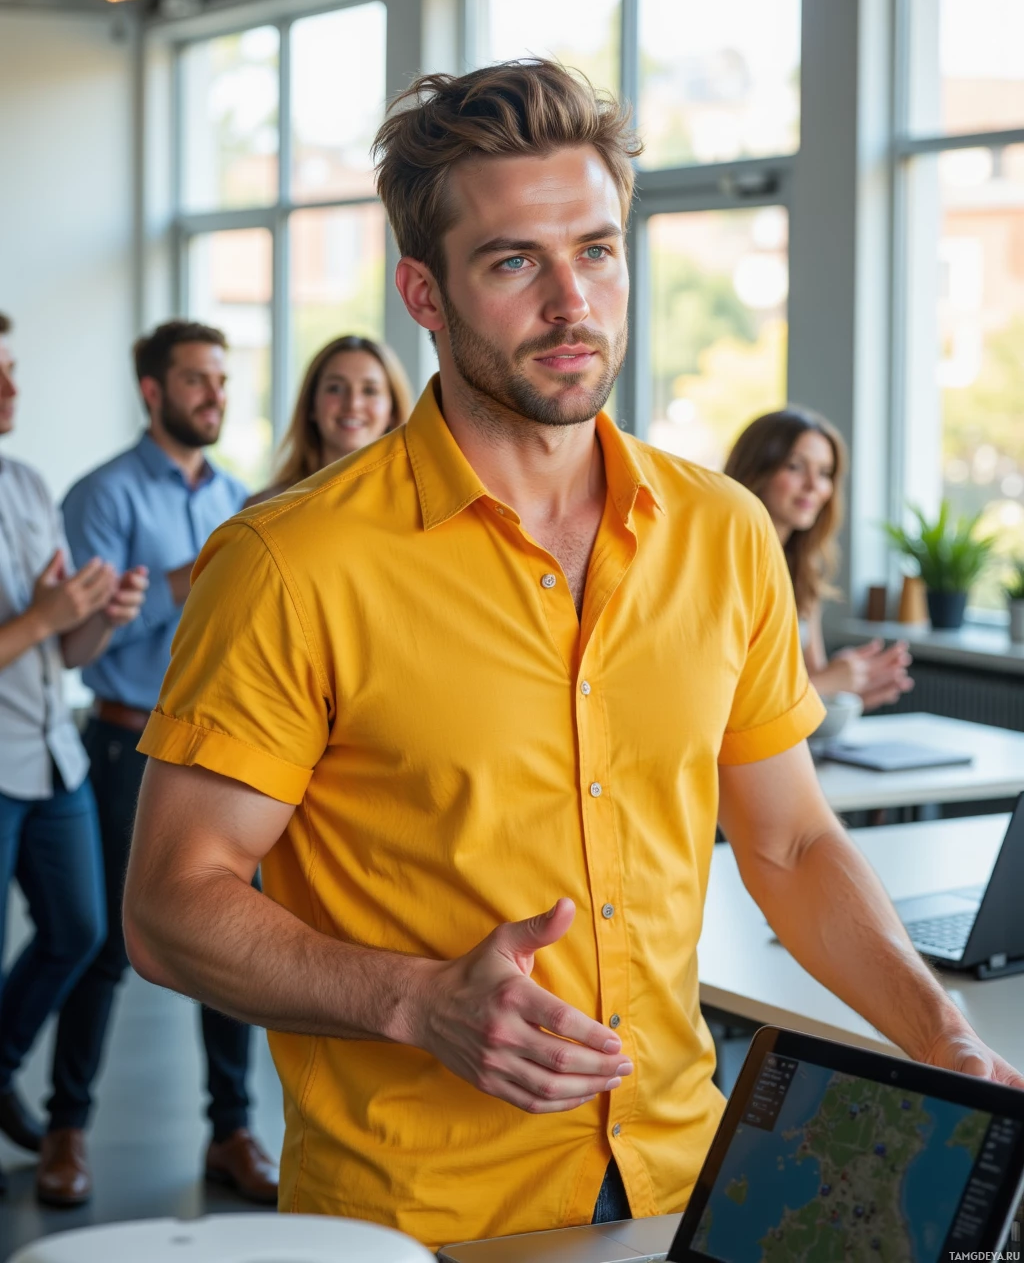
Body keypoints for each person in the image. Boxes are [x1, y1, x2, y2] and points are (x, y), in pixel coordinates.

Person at [122, 62, 1020, 1249]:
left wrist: (939, 1039)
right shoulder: (293, 564)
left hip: (680, 1177)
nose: (571, 304)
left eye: (596, 251)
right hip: (427, 1214)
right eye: (512, 263)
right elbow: (172, 905)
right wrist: (414, 1002)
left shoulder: (721, 532)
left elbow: (790, 841)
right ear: (422, 293)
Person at [42, 321, 277, 1209]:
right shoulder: (99, 496)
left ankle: (232, 1131)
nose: (214, 395)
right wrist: (193, 577)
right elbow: (85, 633)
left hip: (223, 751)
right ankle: (67, 1126)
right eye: (195, 381)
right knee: (104, 944)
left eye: (221, 379)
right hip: (124, 737)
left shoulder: (242, 496)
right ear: (153, 392)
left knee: (230, 944)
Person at [0, 313, 147, 1194]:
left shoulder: (24, 483)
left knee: (83, 930)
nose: (14, 388)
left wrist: (99, 616)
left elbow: (64, 651)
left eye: (13, 369)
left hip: (53, 755)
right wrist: (48, 619)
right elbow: (34, 627)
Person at [724, 407, 913, 711]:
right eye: (796, 467)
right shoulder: (727, 566)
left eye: (825, 473)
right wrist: (829, 683)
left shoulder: (803, 573)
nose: (814, 486)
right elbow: (732, 704)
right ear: (755, 470)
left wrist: (851, 693)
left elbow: (805, 688)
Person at [246, 334, 412, 506]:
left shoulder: (415, 506)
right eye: (335, 388)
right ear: (311, 404)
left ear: (393, 410)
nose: (353, 404)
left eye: (369, 390)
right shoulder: (263, 510)